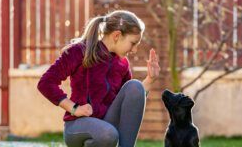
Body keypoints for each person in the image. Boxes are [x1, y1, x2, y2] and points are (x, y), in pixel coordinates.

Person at [37, 10, 160, 147]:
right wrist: (73, 108)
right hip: (79, 125)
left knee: (135, 86)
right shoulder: (79, 51)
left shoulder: (122, 63)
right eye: (133, 43)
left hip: (108, 124)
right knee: (108, 134)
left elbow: (129, 101)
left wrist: (150, 80)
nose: (134, 50)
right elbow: (46, 83)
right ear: (117, 36)